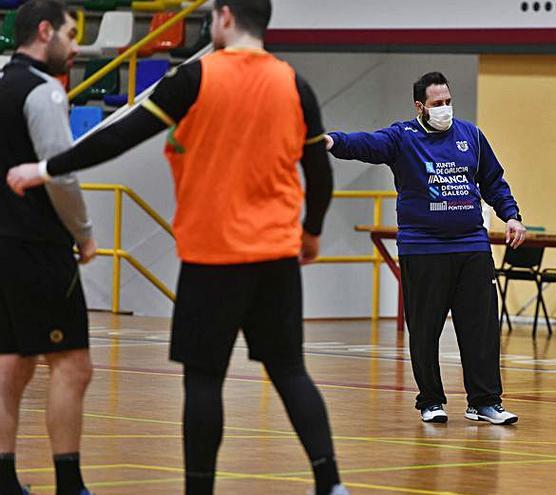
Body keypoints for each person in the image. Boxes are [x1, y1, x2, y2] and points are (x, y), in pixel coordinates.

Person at [7, 0, 348, 492]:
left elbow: (120, 135)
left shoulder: (195, 78)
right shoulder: (295, 84)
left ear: (226, 16)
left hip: (212, 257)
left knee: (204, 380)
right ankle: (330, 483)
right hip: (275, 254)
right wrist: (311, 230)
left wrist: (44, 169)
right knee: (291, 371)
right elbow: (320, 172)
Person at [325, 72, 527, 425]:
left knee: (480, 328)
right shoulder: (402, 137)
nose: (445, 109)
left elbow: (493, 180)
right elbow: (366, 144)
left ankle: (484, 402)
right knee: (425, 327)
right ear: (420, 106)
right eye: (437, 104)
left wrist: (511, 215)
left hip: (471, 245)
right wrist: (332, 141)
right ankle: (431, 400)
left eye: (448, 102)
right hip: (424, 248)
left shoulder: (471, 136)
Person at [0, 1, 98, 493]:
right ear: (44, 31)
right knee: (73, 365)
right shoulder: (43, 92)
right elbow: (62, 173)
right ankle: (69, 482)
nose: (77, 45)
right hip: (37, 245)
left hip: (3, 246)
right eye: (71, 33)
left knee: (12, 362)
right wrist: (83, 234)